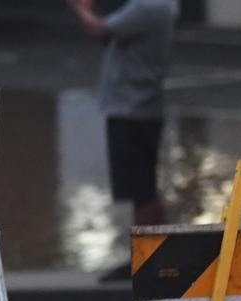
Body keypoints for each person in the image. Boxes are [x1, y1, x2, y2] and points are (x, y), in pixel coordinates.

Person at [68, 0, 177, 278]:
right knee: (144, 188)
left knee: (141, 190)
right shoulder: (161, 6)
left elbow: (99, 30)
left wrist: (80, 8)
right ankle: (157, 257)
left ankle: (143, 262)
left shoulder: (147, 7)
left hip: (131, 109)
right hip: (141, 108)